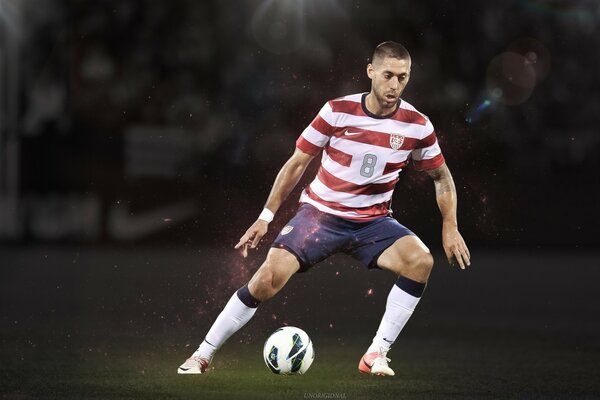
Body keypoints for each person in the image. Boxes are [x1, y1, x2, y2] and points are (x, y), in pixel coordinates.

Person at [178, 41, 471, 376]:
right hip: (320, 217)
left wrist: (450, 225)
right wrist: (265, 217)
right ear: (370, 71)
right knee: (266, 280)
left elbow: (441, 177)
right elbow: (296, 164)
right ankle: (202, 354)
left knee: (420, 262)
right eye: (388, 75)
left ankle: (376, 353)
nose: (394, 85)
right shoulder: (336, 111)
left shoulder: (417, 125)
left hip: (372, 223)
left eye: (402, 78)